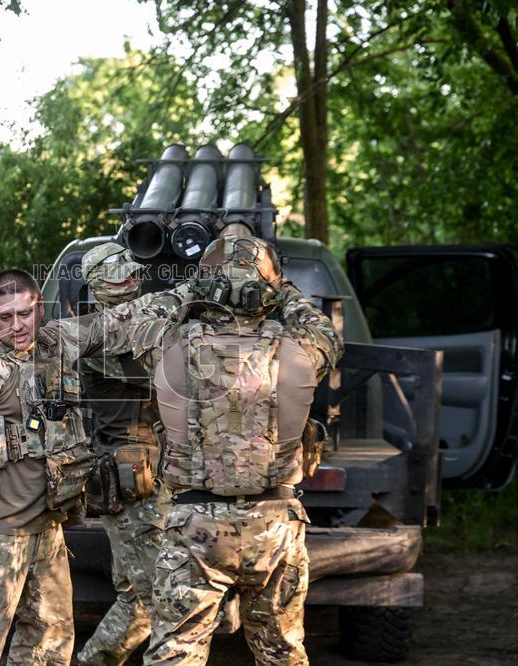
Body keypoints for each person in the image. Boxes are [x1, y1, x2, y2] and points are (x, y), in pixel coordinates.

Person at [0, 267, 193, 666]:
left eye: (24, 313)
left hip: (46, 528)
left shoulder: (56, 342)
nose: (17, 326)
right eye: (4, 318)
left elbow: (120, 320)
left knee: (49, 642)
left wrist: (193, 291)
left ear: (38, 307)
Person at [142, 235, 344, 665]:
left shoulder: (169, 346)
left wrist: (192, 289)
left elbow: (140, 321)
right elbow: (327, 332)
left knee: (176, 653)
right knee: (282, 653)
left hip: (195, 527)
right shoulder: (300, 351)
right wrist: (283, 290)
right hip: (275, 525)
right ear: (267, 289)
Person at [75, 242, 172, 665]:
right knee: (163, 600)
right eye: (119, 277)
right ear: (97, 287)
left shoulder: (138, 322)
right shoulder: (103, 338)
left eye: (132, 273)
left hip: (151, 478)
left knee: (138, 598)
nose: (131, 280)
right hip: (134, 485)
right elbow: (167, 372)